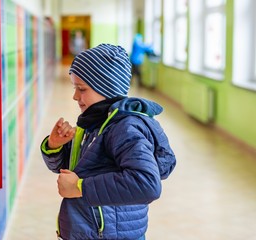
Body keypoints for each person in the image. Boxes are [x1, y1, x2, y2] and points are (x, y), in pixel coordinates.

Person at [40, 43, 176, 240]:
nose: (75, 96)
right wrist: (55, 146)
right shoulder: (95, 121)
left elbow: (147, 184)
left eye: (82, 89)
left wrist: (80, 187)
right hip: (91, 230)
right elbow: (75, 169)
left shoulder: (124, 128)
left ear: (107, 88)